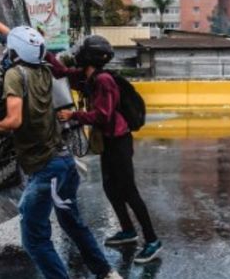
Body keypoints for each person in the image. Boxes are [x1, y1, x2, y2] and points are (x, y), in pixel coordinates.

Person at [0, 0, 123, 279]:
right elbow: (21, 40)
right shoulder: (43, 69)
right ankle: (106, 275)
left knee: (35, 239)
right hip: (64, 164)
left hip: (45, 170)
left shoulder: (14, 74)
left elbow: (13, 120)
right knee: (73, 224)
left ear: (15, 53)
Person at [50, 35, 163, 264]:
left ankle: (152, 241)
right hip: (109, 141)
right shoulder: (86, 76)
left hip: (119, 141)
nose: (76, 54)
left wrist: (74, 116)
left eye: (80, 51)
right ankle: (128, 231)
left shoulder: (103, 81)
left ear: (88, 55)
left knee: (129, 190)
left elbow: (103, 115)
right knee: (111, 187)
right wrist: (41, 48)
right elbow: (61, 71)